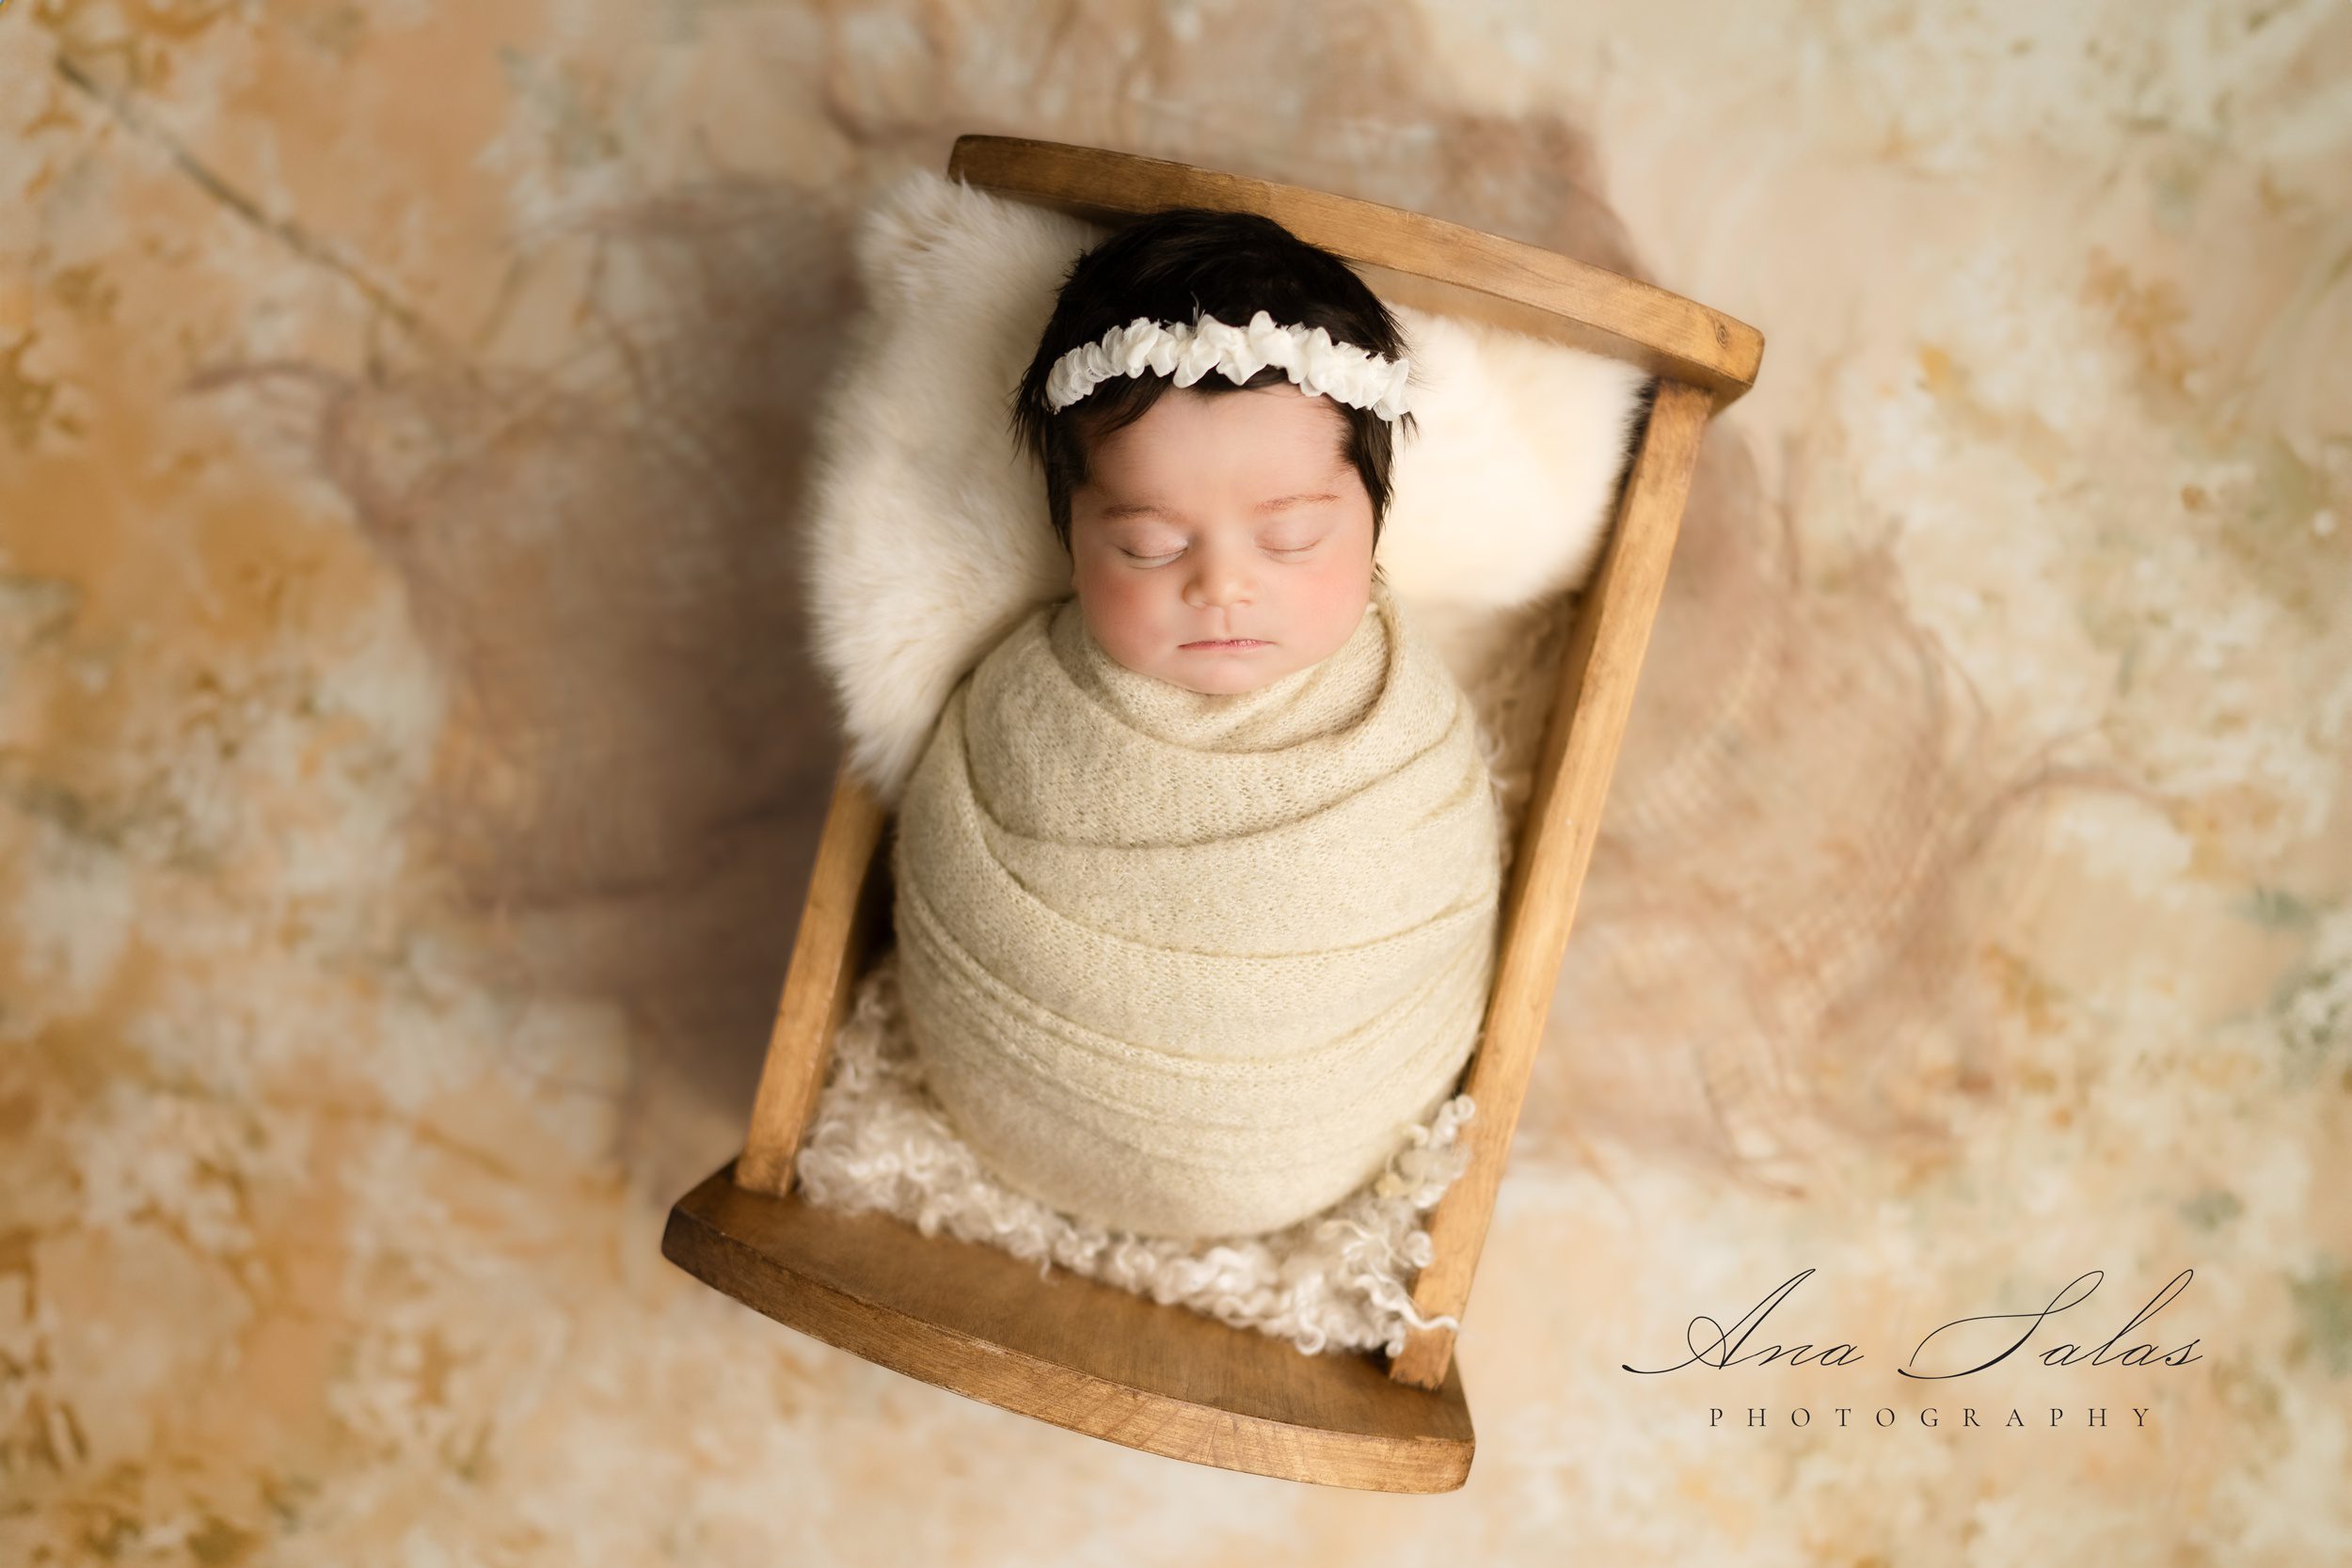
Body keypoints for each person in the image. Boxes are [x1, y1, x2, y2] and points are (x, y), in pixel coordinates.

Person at [886, 206, 1503, 1241]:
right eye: (1149, 544)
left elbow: (1434, 905)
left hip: (1319, 1143)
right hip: (1012, 1116)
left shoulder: (1412, 737)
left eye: (1292, 535)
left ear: (1373, 521)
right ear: (1070, 533)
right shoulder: (1021, 705)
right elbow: (943, 859)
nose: (1221, 584)